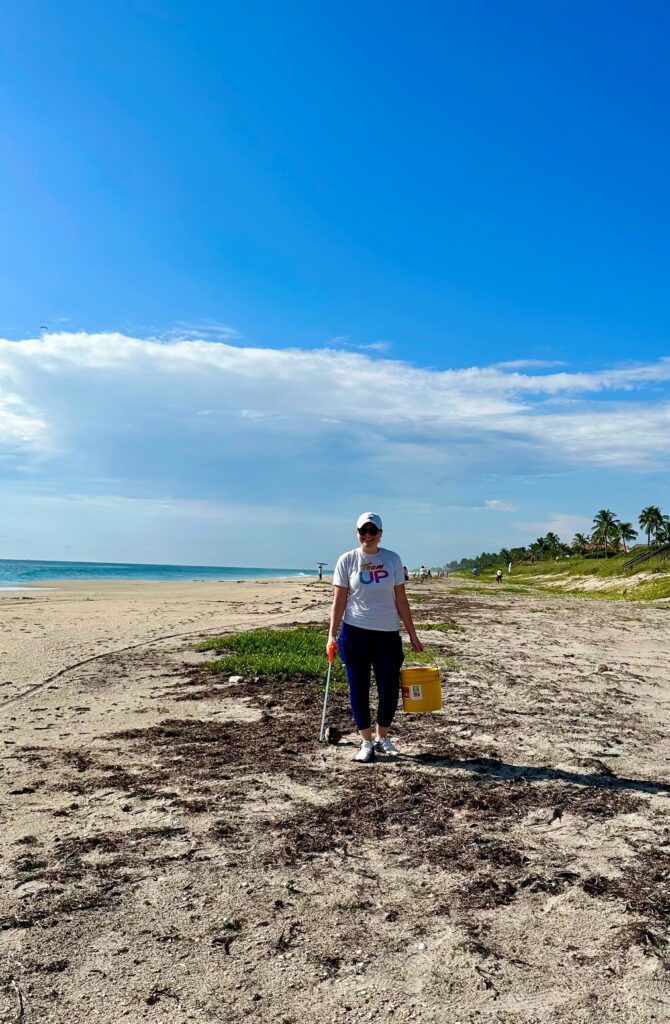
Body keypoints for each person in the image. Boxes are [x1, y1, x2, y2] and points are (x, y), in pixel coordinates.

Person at [328, 513, 424, 763]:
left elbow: (401, 599)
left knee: (389, 690)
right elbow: (339, 602)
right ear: (357, 532)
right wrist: (331, 635)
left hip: (387, 634)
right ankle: (366, 742)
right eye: (363, 530)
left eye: (373, 531)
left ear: (381, 533)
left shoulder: (392, 559)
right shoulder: (347, 560)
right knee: (358, 688)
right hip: (355, 632)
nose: (368, 535)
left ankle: (383, 737)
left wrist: (412, 633)